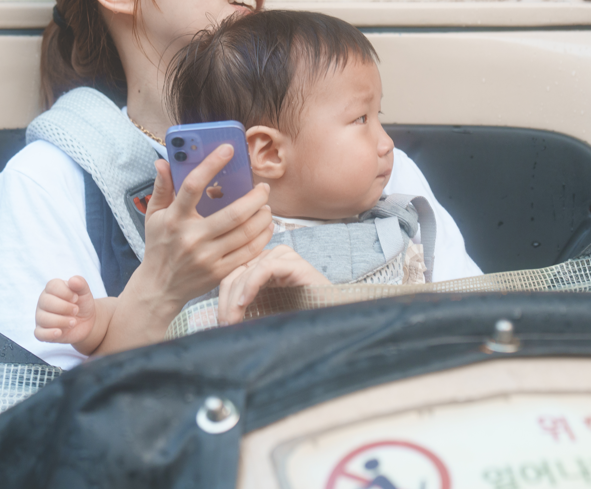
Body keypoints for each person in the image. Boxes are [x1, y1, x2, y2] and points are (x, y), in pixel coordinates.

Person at [1, 2, 479, 367]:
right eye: (359, 118)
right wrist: (157, 291)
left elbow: (477, 347)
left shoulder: (373, 170)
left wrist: (329, 308)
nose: (380, 137)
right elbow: (40, 434)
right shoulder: (48, 182)